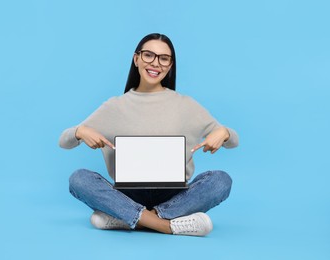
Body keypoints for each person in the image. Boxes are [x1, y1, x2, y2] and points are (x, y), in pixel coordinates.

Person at [59, 33, 239, 236]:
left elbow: (233, 141)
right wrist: (79, 131)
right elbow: (64, 141)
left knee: (221, 180)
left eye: (163, 58)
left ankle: (129, 219)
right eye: (148, 55)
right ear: (136, 59)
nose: (155, 63)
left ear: (170, 65)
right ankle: (166, 225)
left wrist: (223, 133)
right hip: (127, 194)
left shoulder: (186, 105)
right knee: (79, 179)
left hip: (174, 195)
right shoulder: (115, 106)